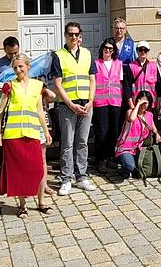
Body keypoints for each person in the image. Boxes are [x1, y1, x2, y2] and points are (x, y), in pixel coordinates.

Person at [0, 54, 51, 217]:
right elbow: (0, 111)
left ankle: (41, 202)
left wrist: (46, 131)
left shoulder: (38, 85)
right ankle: (22, 205)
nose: (18, 70)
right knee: (18, 171)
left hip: (32, 132)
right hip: (13, 135)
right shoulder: (9, 86)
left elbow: (40, 110)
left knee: (38, 168)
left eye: (21, 66)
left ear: (28, 66)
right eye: (15, 68)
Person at [51, 22, 97, 196]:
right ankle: (66, 178)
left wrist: (91, 101)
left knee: (82, 142)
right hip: (67, 106)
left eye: (76, 34)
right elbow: (57, 84)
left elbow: (92, 79)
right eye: (70, 34)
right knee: (68, 143)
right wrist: (70, 104)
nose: (73, 37)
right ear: (65, 35)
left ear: (80, 36)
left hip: (86, 104)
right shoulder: (58, 56)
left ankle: (82, 176)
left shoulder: (86, 53)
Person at [93, 38, 123, 173]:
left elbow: (120, 83)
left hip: (115, 102)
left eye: (111, 49)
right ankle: (101, 160)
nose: (108, 51)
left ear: (114, 51)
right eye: (106, 48)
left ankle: (111, 157)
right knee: (101, 132)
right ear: (102, 49)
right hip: (100, 102)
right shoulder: (96, 64)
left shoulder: (118, 64)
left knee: (113, 132)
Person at [115, 91, 160, 178]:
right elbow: (131, 118)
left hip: (139, 148)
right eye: (143, 102)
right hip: (126, 148)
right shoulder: (130, 112)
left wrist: (157, 134)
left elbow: (153, 127)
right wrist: (138, 104)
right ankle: (125, 167)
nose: (145, 105)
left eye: (147, 103)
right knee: (130, 166)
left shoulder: (149, 115)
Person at [125, 41, 159, 113]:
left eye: (145, 50)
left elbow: (158, 85)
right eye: (140, 49)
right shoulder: (131, 66)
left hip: (151, 103)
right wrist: (130, 103)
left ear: (148, 51)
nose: (143, 52)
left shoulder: (154, 66)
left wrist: (159, 101)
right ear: (137, 51)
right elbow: (127, 86)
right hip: (136, 104)